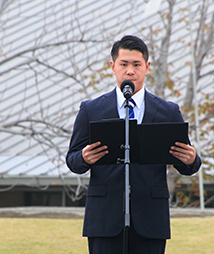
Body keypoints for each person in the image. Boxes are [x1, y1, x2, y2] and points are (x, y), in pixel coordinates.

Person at [66, 35, 201, 254]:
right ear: (113, 67)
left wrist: (192, 159)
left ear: (147, 67)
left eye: (137, 65)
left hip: (150, 219)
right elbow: (72, 160)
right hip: (104, 219)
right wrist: (83, 157)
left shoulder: (168, 112)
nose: (130, 71)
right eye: (124, 64)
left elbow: (188, 165)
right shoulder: (91, 110)